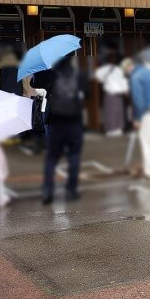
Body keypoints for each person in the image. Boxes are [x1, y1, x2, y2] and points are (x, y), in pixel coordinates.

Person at [32, 55, 88, 204]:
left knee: (51, 157)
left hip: (55, 121)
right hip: (74, 121)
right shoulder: (79, 75)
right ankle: (71, 189)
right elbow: (85, 94)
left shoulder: (49, 74)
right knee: (74, 156)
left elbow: (34, 83)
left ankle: (48, 191)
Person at [95, 53, 129, 136]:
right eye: (112, 58)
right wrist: (125, 90)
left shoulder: (119, 69)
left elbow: (123, 80)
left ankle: (116, 129)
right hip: (111, 93)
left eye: (114, 58)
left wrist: (125, 90)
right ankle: (112, 129)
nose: (113, 60)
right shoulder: (105, 69)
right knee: (111, 112)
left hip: (116, 93)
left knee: (117, 112)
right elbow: (98, 77)